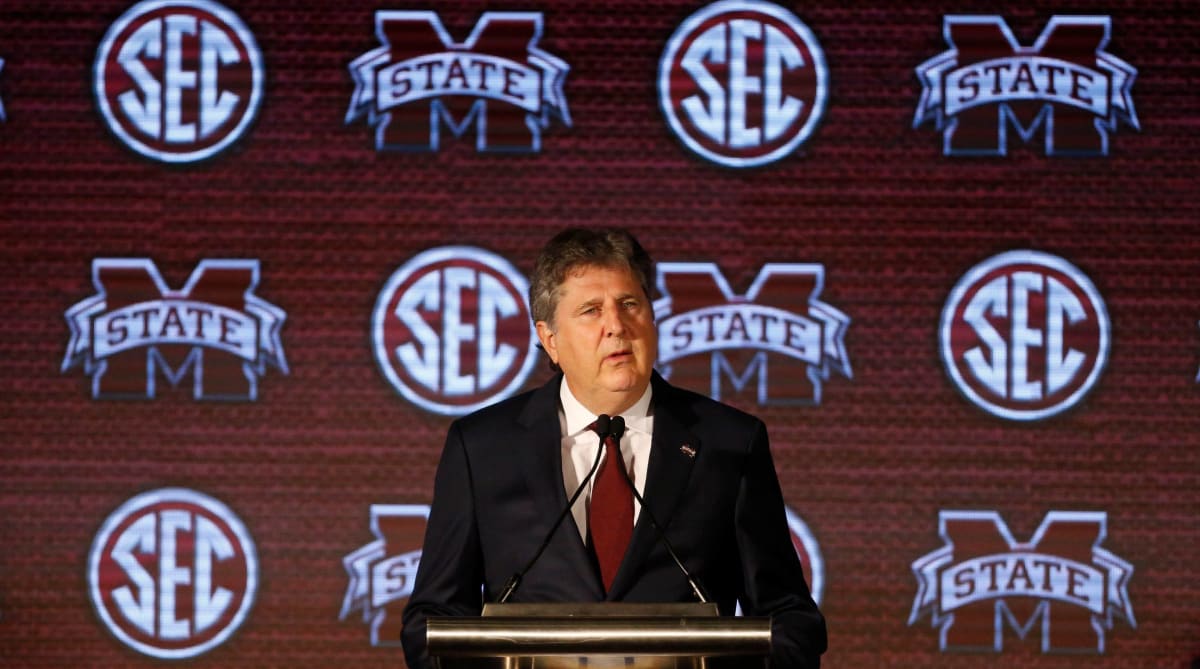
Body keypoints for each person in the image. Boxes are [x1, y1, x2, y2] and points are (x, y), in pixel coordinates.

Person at [401, 227, 827, 668]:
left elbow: (789, 620)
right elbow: (432, 621)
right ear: (549, 339)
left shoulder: (730, 442)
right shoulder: (483, 448)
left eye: (630, 305)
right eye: (591, 311)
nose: (617, 326)